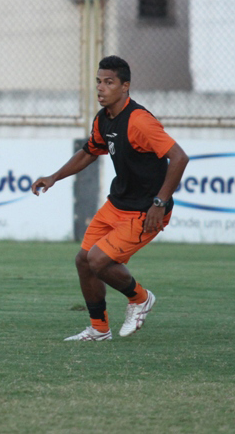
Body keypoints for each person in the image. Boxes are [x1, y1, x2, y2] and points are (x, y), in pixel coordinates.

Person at [32, 56, 188, 341]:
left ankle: (140, 298)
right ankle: (99, 329)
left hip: (146, 210)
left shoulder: (140, 121)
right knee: (83, 260)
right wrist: (55, 176)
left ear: (125, 86)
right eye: (98, 82)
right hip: (118, 204)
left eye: (109, 82)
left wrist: (160, 202)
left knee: (98, 260)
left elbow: (179, 157)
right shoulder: (103, 119)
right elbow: (90, 152)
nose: (101, 88)